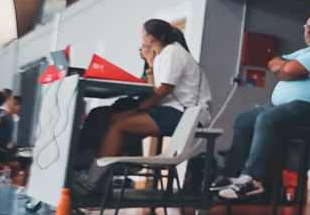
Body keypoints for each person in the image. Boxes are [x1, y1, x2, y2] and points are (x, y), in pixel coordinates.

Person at [218, 14, 310, 200]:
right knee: (244, 120)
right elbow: (273, 61)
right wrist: (287, 70)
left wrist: (287, 70)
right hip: (293, 106)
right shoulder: (307, 52)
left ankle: (253, 179)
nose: (307, 31)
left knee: (267, 119)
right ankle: (233, 176)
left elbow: (287, 69)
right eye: (306, 26)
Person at [75, 20, 212, 193]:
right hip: (174, 110)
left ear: (150, 37)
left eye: (143, 34)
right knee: (112, 118)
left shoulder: (173, 52)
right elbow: (153, 88)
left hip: (187, 114)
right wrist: (150, 63)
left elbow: (163, 90)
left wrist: (138, 109)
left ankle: (91, 180)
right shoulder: (164, 55)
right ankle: (98, 175)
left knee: (118, 123)